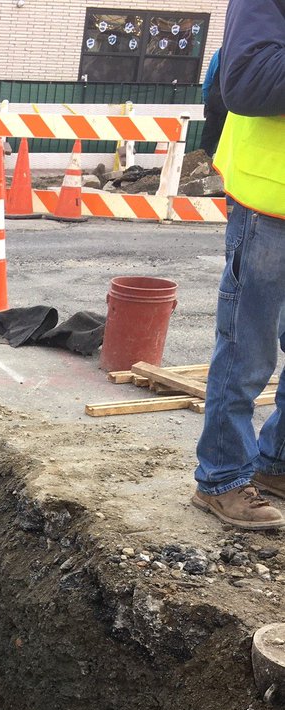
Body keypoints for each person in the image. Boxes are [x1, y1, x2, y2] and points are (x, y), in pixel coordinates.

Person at [192, 0, 285, 529]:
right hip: (270, 199)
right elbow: (250, 79)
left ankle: (276, 463)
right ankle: (223, 476)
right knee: (246, 350)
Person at [200, 47, 227, 158]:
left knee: (205, 148)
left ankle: (200, 171)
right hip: (234, 111)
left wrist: (208, 103)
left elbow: (207, 84)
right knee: (226, 149)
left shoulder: (219, 54)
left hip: (215, 107)